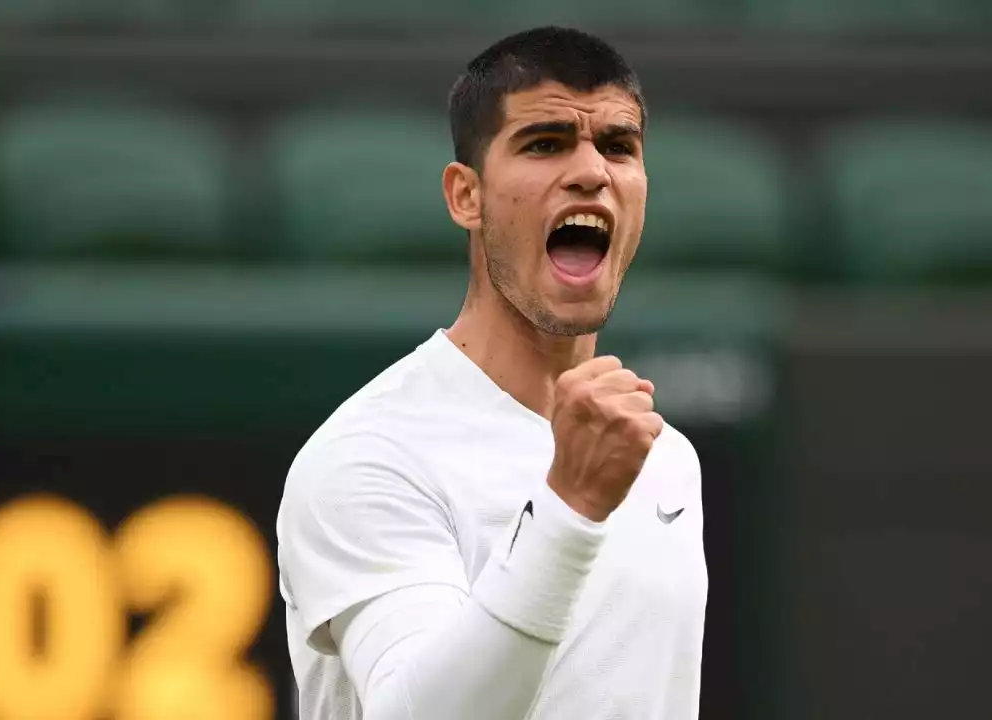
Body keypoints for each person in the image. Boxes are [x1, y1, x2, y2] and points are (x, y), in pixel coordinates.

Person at [276, 26, 708, 720]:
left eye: (619, 147)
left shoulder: (667, 463)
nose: (592, 171)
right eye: (545, 143)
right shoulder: (370, 455)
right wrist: (571, 508)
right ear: (465, 197)